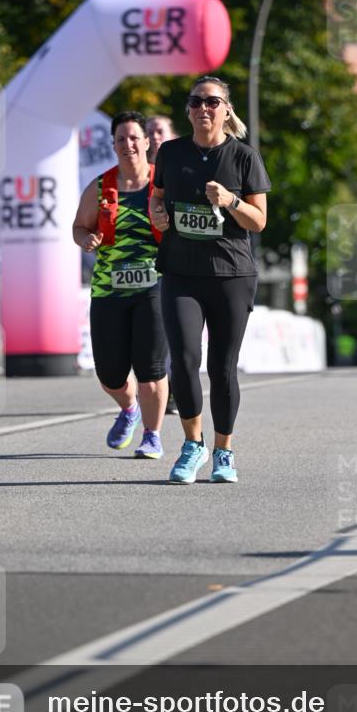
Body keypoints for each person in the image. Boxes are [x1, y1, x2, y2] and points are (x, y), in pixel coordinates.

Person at [151, 75, 271, 484]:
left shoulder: (243, 157)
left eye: (213, 102)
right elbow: (157, 198)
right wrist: (158, 215)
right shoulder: (170, 153)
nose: (204, 108)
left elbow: (259, 220)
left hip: (231, 275)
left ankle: (224, 451)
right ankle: (192, 444)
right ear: (188, 109)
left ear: (225, 110)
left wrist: (231, 201)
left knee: (223, 367)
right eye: (196, 101)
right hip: (182, 272)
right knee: (184, 361)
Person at [72, 111, 168, 458]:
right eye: (120, 139)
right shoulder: (100, 187)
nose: (127, 144)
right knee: (110, 373)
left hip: (154, 287)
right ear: (113, 145)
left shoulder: (165, 183)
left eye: (133, 138)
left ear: (146, 142)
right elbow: (78, 227)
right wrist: (85, 240)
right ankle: (129, 408)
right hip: (109, 289)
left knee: (151, 370)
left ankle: (152, 435)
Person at [146, 114, 180, 414]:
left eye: (160, 131)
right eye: (150, 132)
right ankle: (155, 388)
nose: (155, 137)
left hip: (175, 259)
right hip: (143, 262)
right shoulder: (137, 174)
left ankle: (173, 388)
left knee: (173, 328)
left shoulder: (181, 167)